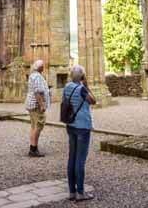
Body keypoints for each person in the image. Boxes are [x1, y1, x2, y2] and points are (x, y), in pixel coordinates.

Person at [63, 65, 96, 202]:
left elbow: (65, 102)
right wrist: (86, 85)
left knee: (72, 157)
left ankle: (72, 192)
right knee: (80, 160)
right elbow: (93, 100)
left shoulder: (67, 87)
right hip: (82, 126)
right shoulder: (82, 89)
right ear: (82, 76)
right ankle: (80, 193)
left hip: (70, 125)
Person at [24, 59, 50, 157]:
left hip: (31, 104)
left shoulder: (32, 75)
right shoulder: (37, 76)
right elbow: (38, 92)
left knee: (34, 126)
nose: (44, 67)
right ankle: (33, 149)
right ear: (40, 68)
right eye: (43, 66)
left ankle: (33, 147)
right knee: (39, 125)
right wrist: (42, 105)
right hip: (36, 105)